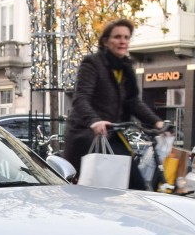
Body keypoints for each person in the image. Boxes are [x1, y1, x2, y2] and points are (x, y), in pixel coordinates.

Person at [65, 18, 165, 189]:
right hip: (88, 135)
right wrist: (94, 121)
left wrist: (157, 122)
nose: (122, 41)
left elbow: (133, 101)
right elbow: (81, 97)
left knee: (134, 183)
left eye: (126, 37)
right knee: (128, 182)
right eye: (117, 37)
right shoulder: (93, 63)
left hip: (113, 135)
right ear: (105, 41)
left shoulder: (125, 67)